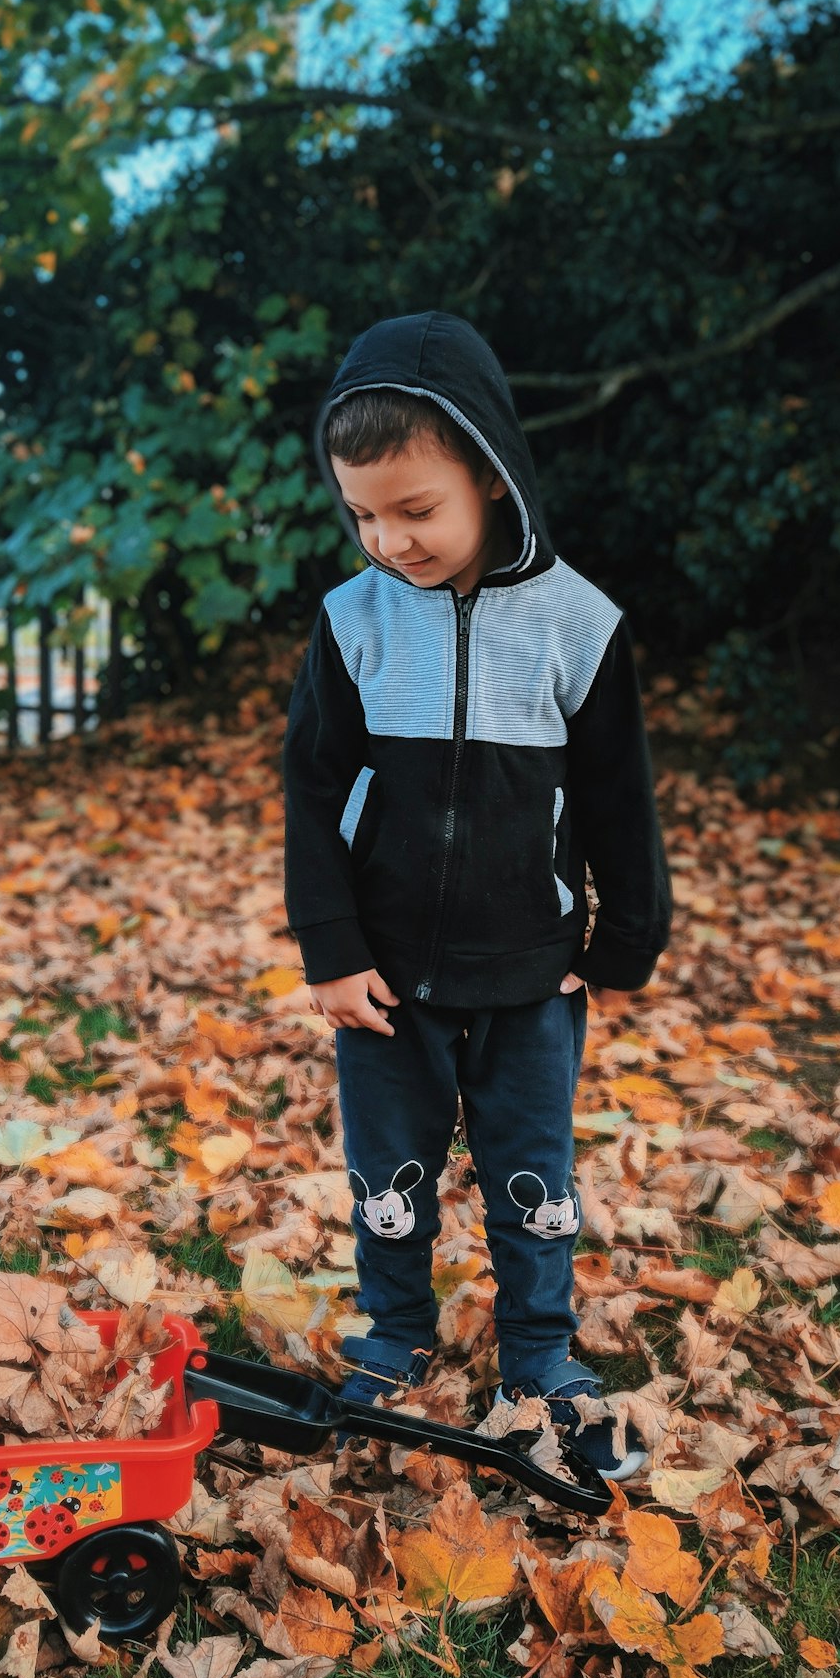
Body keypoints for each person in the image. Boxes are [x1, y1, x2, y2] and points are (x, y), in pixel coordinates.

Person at [282, 309, 672, 1482]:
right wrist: (330, 946)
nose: (389, 540)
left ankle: (540, 1350)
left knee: (530, 1174)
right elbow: (309, 790)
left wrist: (616, 949)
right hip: (386, 977)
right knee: (388, 1173)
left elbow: (616, 797)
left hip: (528, 972)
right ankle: (394, 1329)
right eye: (363, 513)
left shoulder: (576, 625)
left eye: (416, 510)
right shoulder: (353, 622)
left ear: (492, 479)